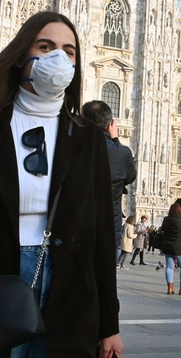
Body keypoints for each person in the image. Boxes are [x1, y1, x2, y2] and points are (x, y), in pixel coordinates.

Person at [0, 11, 122, 358]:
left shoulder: (88, 138)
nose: (58, 58)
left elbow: (102, 234)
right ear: (19, 57)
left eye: (68, 51)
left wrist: (109, 325)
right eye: (45, 47)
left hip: (69, 291)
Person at [81, 99, 137, 261]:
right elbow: (130, 176)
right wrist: (116, 141)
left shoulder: (72, 145)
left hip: (78, 225)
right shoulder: (123, 153)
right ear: (110, 125)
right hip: (108, 228)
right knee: (104, 280)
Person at [160, 203, 181, 296]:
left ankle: (170, 288)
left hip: (168, 246)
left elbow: (163, 229)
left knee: (170, 267)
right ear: (180, 211)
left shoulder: (166, 219)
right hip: (180, 247)